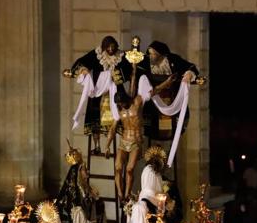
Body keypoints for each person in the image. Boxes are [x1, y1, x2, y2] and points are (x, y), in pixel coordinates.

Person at [105, 59, 179, 202]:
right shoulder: (120, 111)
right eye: (119, 105)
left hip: (136, 141)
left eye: (122, 103)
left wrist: (167, 83)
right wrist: (107, 146)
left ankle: (127, 194)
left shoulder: (137, 102)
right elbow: (113, 129)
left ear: (127, 99)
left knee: (129, 169)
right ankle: (120, 195)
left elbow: (154, 91)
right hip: (123, 141)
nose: (122, 106)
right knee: (118, 168)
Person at [66, 36, 132, 154]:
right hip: (98, 92)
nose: (111, 49)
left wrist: (116, 75)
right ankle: (97, 146)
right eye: (108, 47)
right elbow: (82, 62)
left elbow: (129, 70)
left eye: (113, 47)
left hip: (115, 92)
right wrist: (83, 69)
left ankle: (111, 147)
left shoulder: (121, 56)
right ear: (104, 47)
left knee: (115, 120)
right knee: (95, 120)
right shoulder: (97, 54)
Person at [137, 40, 201, 140]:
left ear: (160, 54)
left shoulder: (173, 60)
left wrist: (189, 74)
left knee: (173, 126)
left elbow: (190, 67)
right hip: (154, 101)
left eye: (153, 53)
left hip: (172, 98)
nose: (150, 56)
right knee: (152, 125)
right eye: (149, 53)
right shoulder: (147, 62)